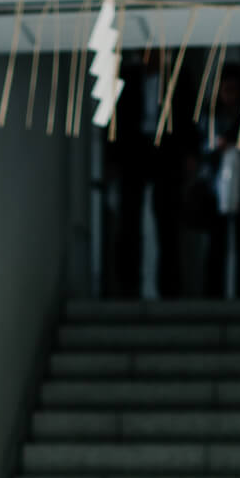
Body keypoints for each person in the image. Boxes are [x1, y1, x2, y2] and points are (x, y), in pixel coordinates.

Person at [104, 47, 191, 299]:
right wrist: (113, 158)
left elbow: (187, 117)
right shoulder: (128, 76)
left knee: (168, 220)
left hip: (167, 150)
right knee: (129, 219)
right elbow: (115, 119)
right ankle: (128, 285)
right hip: (134, 150)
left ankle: (170, 287)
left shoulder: (178, 77)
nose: (151, 57)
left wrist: (189, 153)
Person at [192, 63, 240, 298]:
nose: (230, 96)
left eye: (234, 90)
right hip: (217, 187)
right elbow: (199, 149)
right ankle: (213, 295)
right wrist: (215, 147)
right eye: (226, 90)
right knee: (216, 244)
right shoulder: (210, 115)